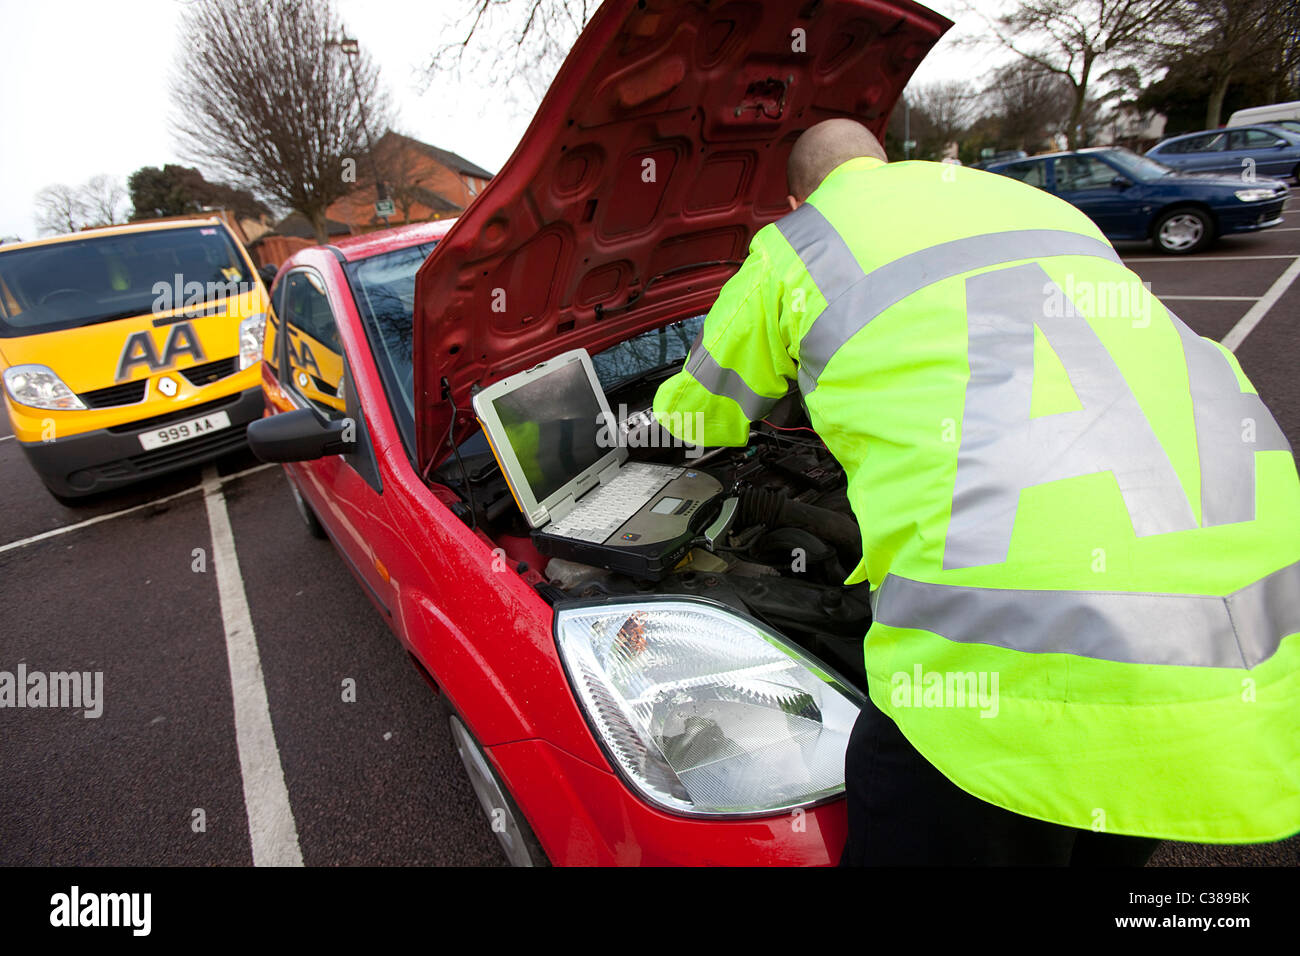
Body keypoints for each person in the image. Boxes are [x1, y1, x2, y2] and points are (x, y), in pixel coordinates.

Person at [652, 118, 1300, 865]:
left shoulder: (801, 243)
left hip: (1008, 645)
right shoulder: (1034, 204)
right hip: (1242, 588)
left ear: (796, 197)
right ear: (884, 161)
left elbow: (696, 415)